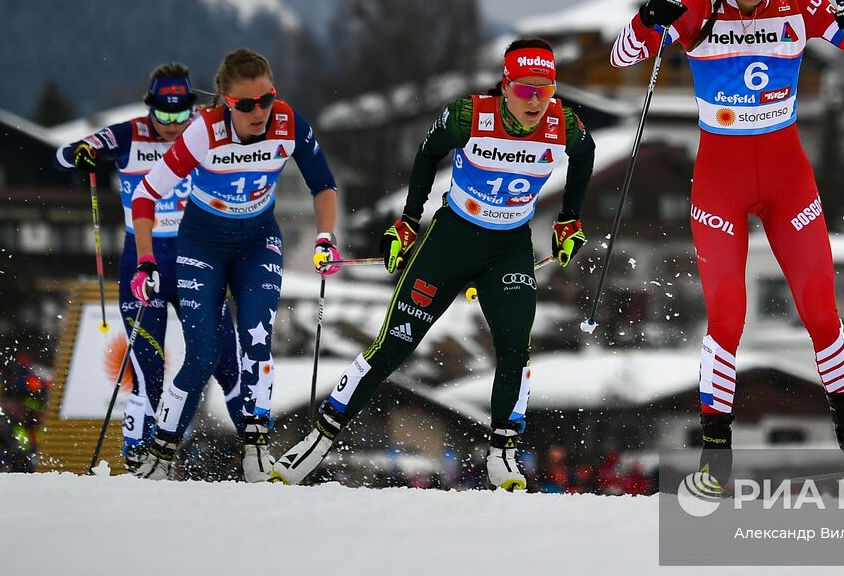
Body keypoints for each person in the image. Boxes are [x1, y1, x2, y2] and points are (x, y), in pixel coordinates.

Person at [610, 0, 844, 490]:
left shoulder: (798, 3)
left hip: (790, 183)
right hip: (720, 185)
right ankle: (717, 450)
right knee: (727, 319)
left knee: (820, 310)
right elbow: (621, 57)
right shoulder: (694, 12)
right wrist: (645, 21)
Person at [271, 39, 595, 491]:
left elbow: (585, 156)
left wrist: (568, 219)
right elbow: (427, 155)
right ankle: (319, 438)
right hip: (451, 240)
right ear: (506, 87)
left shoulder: (564, 124)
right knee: (393, 346)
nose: (536, 100)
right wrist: (407, 223)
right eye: (525, 89)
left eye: (545, 89)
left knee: (515, 348)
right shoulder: (469, 115)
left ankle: (502, 453)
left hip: (510, 248)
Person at [127, 49, 339, 481]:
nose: (259, 112)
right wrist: (145, 261)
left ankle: (256, 447)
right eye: (246, 105)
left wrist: (324, 237)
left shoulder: (288, 122)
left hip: (257, 243)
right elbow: (146, 196)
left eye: (266, 99)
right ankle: (162, 450)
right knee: (203, 353)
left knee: (257, 340)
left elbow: (324, 185)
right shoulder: (203, 133)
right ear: (226, 102)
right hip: (202, 245)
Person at [54, 64, 242, 471]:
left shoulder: (204, 130)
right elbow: (63, 154)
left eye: (181, 114)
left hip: (196, 260)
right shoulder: (130, 134)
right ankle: (138, 457)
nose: (173, 125)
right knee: (148, 373)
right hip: (144, 262)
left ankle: (255, 449)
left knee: (227, 361)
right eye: (164, 115)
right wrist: (81, 153)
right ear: (150, 108)